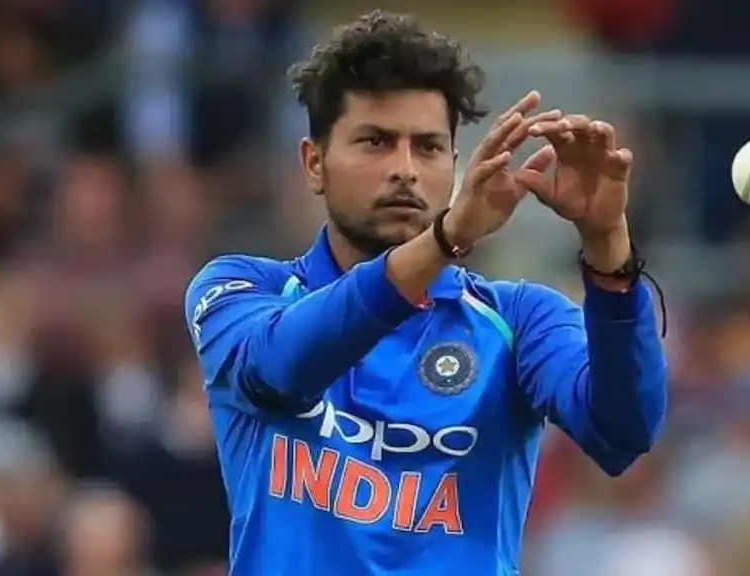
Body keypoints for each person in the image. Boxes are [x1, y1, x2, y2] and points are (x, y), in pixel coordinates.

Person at [184, 10, 669, 575]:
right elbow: (279, 368)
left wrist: (609, 245)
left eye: (429, 148)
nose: (406, 170)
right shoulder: (241, 289)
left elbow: (623, 432)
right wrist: (446, 239)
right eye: (376, 142)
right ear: (314, 163)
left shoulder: (518, 318)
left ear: (455, 166)